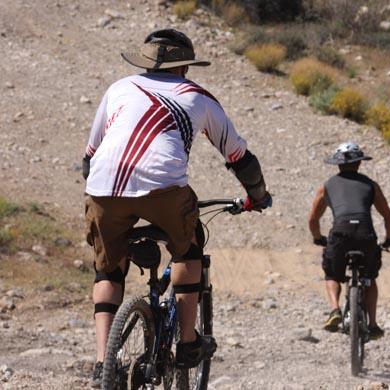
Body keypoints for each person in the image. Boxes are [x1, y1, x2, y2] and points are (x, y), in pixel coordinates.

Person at [83, 29, 272, 388]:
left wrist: (100, 195)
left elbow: (90, 155)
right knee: (190, 247)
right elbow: (239, 157)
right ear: (185, 67)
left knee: (108, 271)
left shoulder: (119, 89)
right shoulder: (196, 97)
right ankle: (187, 345)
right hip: (164, 189)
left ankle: (101, 364)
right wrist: (257, 194)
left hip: (103, 190)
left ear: (144, 62)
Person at [308, 142, 390, 338]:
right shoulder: (370, 185)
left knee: (332, 274)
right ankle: (372, 324)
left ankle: (334, 310)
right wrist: (389, 238)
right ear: (359, 164)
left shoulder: (327, 186)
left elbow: (313, 219)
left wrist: (318, 238)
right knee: (370, 277)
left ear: (338, 165)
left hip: (340, 233)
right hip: (366, 234)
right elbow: (389, 218)